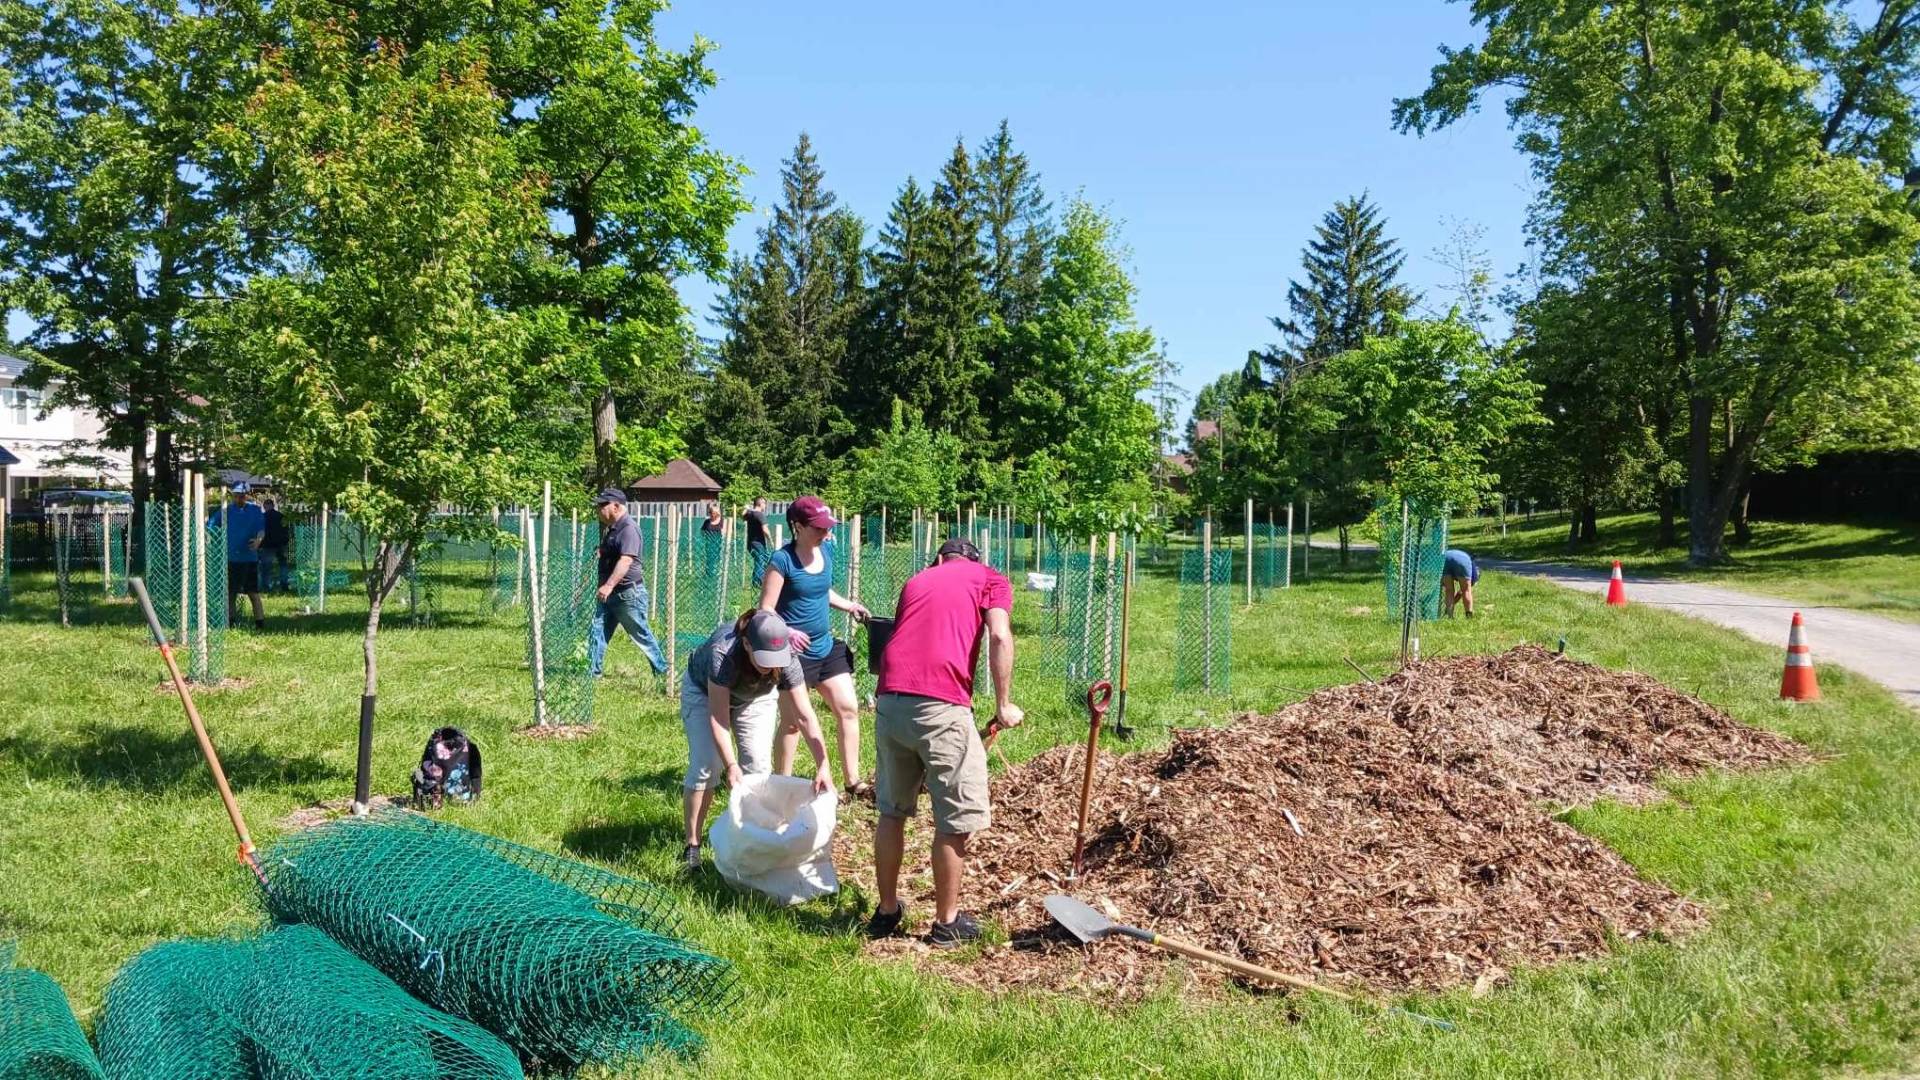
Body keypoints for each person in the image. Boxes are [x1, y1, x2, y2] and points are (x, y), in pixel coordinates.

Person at [867, 537, 1021, 948]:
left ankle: (885, 911)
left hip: (890, 700)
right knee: (956, 820)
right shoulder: (990, 578)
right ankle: (946, 923)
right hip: (941, 705)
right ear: (975, 560)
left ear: (939, 559)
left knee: (892, 811)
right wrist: (1004, 704)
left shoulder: (918, 579)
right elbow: (1000, 636)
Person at [680, 609, 834, 873]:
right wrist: (730, 765)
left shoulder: (787, 658)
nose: (771, 665)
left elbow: (805, 716)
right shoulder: (723, 653)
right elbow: (719, 719)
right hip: (704, 694)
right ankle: (692, 846)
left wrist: (823, 763)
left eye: (777, 658)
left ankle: (753, 848)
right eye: (764, 658)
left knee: (758, 770)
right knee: (706, 765)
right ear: (747, 643)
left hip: (755, 699)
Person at [760, 495, 872, 795]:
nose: (825, 533)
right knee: (793, 723)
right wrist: (788, 632)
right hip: (792, 654)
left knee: (848, 709)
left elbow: (821, 591)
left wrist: (849, 605)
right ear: (797, 526)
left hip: (825, 648)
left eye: (827, 528)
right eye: (818, 528)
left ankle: (853, 782)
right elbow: (766, 610)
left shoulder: (827, 553)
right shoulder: (782, 560)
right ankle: (781, 784)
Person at [587, 487, 667, 678]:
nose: (598, 510)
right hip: (610, 593)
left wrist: (608, 585)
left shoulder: (628, 528)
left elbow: (626, 560)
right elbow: (615, 552)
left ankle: (663, 671)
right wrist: (603, 552)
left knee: (640, 634)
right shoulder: (613, 528)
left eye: (602, 505)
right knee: (597, 630)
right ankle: (592, 672)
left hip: (627, 594)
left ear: (616, 506)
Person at [214, 482, 267, 630]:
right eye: (236, 496)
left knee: (253, 592)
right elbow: (211, 526)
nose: (239, 499)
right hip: (231, 558)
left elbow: (261, 530)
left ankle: (260, 623)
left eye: (242, 496)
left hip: (249, 559)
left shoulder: (255, 511)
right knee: (231, 592)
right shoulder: (225, 511)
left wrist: (258, 541)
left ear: (247, 495)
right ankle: (230, 622)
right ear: (232, 496)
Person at [260, 498, 291, 593]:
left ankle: (266, 586)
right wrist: (286, 541)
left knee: (266, 566)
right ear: (273, 506)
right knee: (283, 565)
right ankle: (284, 584)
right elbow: (287, 530)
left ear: (265, 507)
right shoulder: (281, 516)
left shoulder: (263, 517)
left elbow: (260, 531)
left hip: (268, 545)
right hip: (281, 544)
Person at [1442, 547, 1479, 618]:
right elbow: (1462, 592)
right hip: (1462, 561)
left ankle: (1449, 616)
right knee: (1466, 590)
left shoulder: (1472, 565)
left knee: (1449, 590)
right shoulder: (1474, 575)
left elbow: (1459, 593)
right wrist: (1454, 602)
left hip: (1446, 558)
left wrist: (1450, 605)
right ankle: (1469, 616)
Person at [743, 496, 770, 585]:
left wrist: (746, 508)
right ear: (760, 503)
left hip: (750, 543)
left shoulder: (750, 514)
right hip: (758, 543)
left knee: (761, 560)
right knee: (760, 561)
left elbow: (743, 516)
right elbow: (765, 529)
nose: (765, 506)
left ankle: (762, 579)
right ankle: (758, 582)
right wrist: (770, 539)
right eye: (764, 503)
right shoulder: (760, 515)